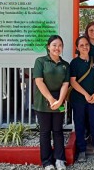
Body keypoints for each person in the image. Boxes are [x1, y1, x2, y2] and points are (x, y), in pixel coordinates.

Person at [33, 35, 70, 170]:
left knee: (58, 130)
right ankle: (47, 162)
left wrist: (59, 101)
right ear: (48, 47)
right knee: (45, 132)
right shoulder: (40, 61)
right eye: (54, 45)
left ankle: (59, 159)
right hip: (43, 102)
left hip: (59, 101)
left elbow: (65, 84)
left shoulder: (65, 65)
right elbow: (39, 81)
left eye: (60, 45)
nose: (57, 48)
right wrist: (51, 99)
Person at [69, 36, 94, 162]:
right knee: (80, 124)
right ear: (77, 48)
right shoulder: (74, 63)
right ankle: (81, 150)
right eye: (81, 45)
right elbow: (73, 82)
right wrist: (86, 95)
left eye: (86, 44)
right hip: (79, 99)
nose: (85, 47)